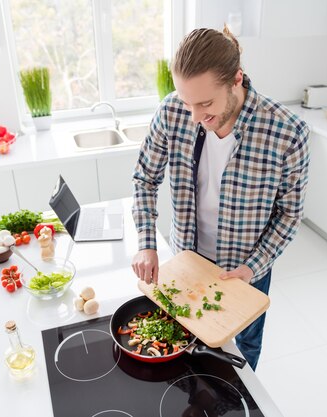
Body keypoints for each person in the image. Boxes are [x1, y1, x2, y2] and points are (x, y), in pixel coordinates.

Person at [131, 26, 310, 371]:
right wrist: (146, 243)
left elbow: (289, 214)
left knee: (243, 347)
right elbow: (145, 178)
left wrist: (251, 269)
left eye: (206, 103)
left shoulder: (288, 132)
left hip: (244, 268)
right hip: (186, 259)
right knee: (184, 342)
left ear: (236, 79)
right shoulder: (171, 112)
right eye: (187, 102)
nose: (195, 116)